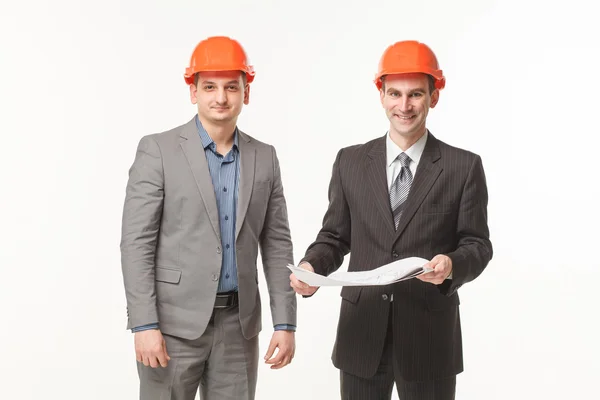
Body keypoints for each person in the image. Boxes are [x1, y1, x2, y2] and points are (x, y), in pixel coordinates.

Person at [290, 40, 493, 400]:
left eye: (415, 94)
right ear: (381, 95)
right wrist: (311, 266)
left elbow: (477, 245)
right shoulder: (350, 162)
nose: (404, 106)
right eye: (395, 94)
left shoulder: (463, 167)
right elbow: (335, 237)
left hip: (429, 338)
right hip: (361, 334)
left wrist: (451, 265)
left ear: (434, 96)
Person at [120, 36, 297, 400]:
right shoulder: (158, 150)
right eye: (210, 87)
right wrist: (144, 323)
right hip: (171, 328)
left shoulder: (265, 157)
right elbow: (136, 243)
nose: (221, 97)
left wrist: (285, 321)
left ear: (246, 92)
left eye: (232, 87)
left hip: (238, 327)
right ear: (193, 92)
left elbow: (277, 245)